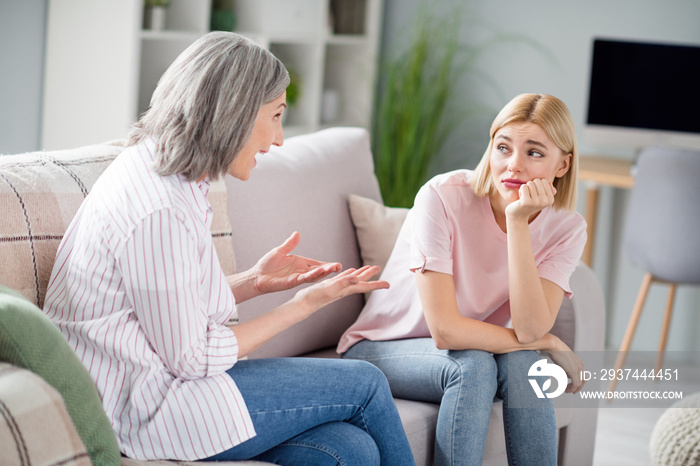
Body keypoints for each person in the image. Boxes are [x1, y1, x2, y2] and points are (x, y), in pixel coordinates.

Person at [43, 31, 415, 465]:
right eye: (275, 115)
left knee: (347, 450)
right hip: (140, 408)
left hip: (156, 386)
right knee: (365, 384)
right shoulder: (158, 208)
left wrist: (254, 282)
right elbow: (192, 355)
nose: (278, 139)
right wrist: (301, 305)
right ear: (234, 111)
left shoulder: (171, 177)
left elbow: (167, 305)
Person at [338, 93, 588, 465]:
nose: (513, 166)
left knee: (523, 365)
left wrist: (519, 222)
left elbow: (529, 328)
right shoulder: (441, 196)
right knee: (471, 365)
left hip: (475, 347)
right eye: (503, 148)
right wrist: (549, 341)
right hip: (384, 346)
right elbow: (446, 333)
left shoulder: (567, 228)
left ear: (563, 165)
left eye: (534, 153)